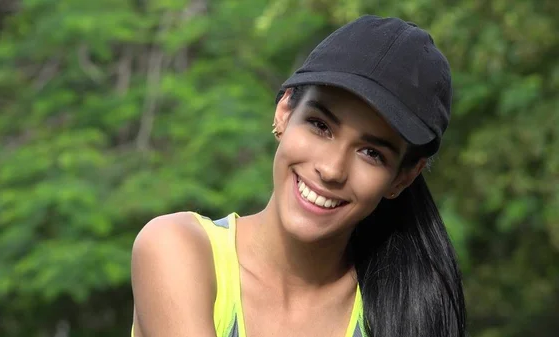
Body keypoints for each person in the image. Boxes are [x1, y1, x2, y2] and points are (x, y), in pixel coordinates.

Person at [130, 14, 466, 337]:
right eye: (320, 126)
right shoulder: (177, 249)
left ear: (403, 178)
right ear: (284, 111)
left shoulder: (409, 313)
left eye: (372, 153)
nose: (332, 169)